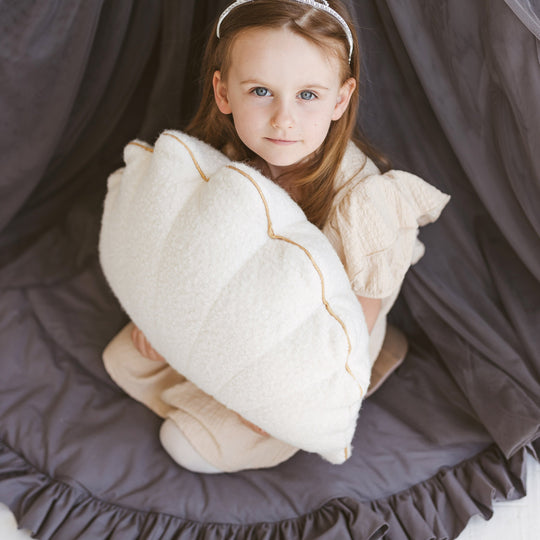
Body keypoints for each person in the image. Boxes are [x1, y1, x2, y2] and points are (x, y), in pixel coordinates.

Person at [103, 0, 450, 474]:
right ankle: (211, 378)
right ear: (223, 93)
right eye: (262, 91)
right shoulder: (230, 158)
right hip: (243, 309)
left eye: (307, 95)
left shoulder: (365, 202)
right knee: (124, 357)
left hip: (322, 339)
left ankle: (371, 364)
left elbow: (348, 326)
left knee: (185, 443)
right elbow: (200, 254)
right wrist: (160, 314)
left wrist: (276, 394)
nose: (283, 119)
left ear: (340, 99)